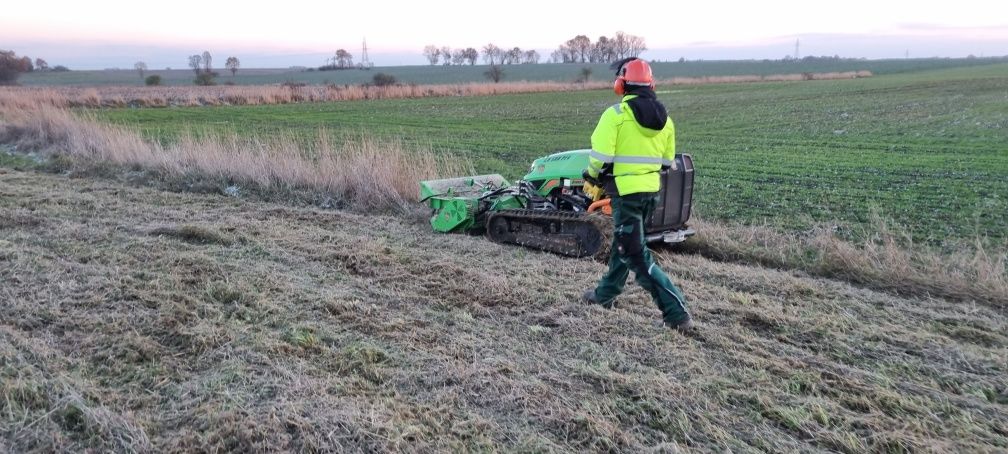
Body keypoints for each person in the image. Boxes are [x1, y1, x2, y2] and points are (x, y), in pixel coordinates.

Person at [581, 58, 694, 332]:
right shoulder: (665, 119)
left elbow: (600, 157)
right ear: (651, 84)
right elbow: (667, 162)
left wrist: (592, 175)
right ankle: (604, 294)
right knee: (625, 242)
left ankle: (676, 312)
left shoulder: (616, 115)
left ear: (621, 84)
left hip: (626, 195)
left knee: (635, 254)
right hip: (651, 193)